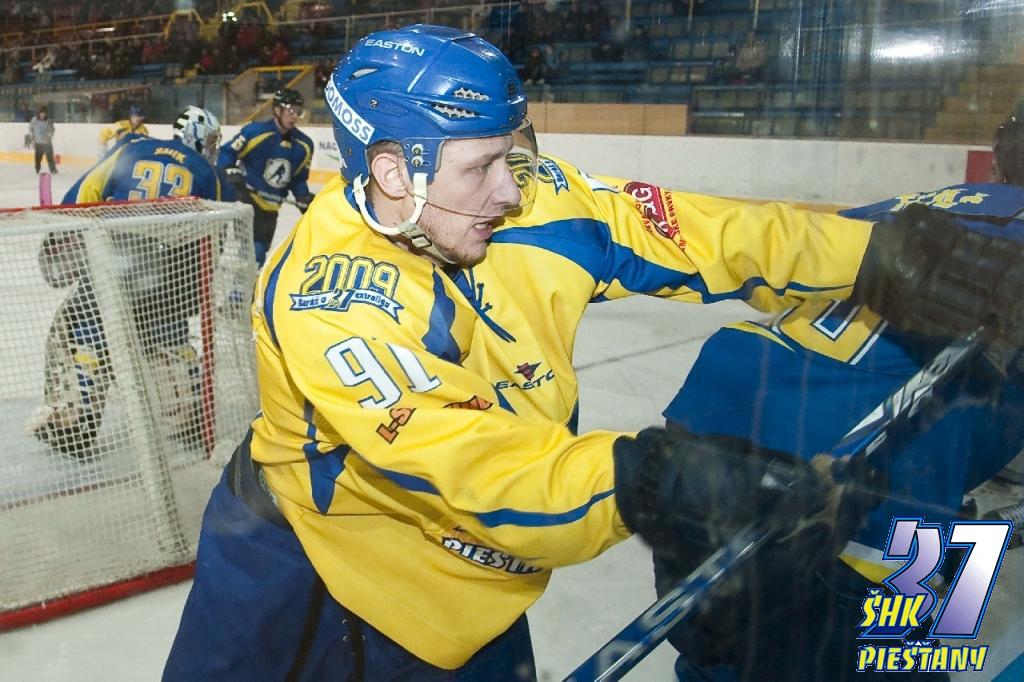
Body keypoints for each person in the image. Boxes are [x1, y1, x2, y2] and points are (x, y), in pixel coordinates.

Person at [164, 25, 1024, 680]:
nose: (513, 189)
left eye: (513, 155)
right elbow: (471, 463)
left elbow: (704, 233)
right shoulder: (332, 297)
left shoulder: (533, 201)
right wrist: (647, 481)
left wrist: (875, 256)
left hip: (482, 586)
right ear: (395, 174)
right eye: (483, 167)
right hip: (324, 581)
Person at [654, 116, 1024, 682]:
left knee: (726, 653)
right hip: (865, 468)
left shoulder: (914, 203)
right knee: (908, 656)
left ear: (994, 167)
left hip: (718, 411)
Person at [30, 106, 227, 459]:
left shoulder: (131, 148)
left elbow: (81, 195)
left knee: (83, 331)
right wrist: (192, 289)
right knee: (170, 340)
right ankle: (189, 420)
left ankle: (76, 424)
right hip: (170, 273)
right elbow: (213, 235)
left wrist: (60, 240)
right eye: (210, 139)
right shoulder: (205, 171)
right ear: (194, 135)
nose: (213, 147)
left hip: (115, 263)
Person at [218, 87, 315, 266]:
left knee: (260, 250)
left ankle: (244, 278)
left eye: (298, 111)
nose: (295, 116)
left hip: (272, 206)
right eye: (291, 111)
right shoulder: (255, 132)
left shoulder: (304, 145)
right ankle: (243, 282)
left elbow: (297, 178)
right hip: (247, 199)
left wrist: (302, 195)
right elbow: (226, 153)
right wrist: (230, 171)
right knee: (255, 250)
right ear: (277, 110)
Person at [28, 105, 57, 175]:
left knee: (50, 157)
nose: (43, 115)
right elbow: (31, 129)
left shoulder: (49, 121)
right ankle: (37, 168)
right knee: (38, 157)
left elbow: (52, 130)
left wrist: (49, 137)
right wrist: (32, 138)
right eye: (42, 113)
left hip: (47, 143)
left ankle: (53, 169)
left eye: (44, 113)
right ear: (39, 113)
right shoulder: (34, 120)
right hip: (38, 142)